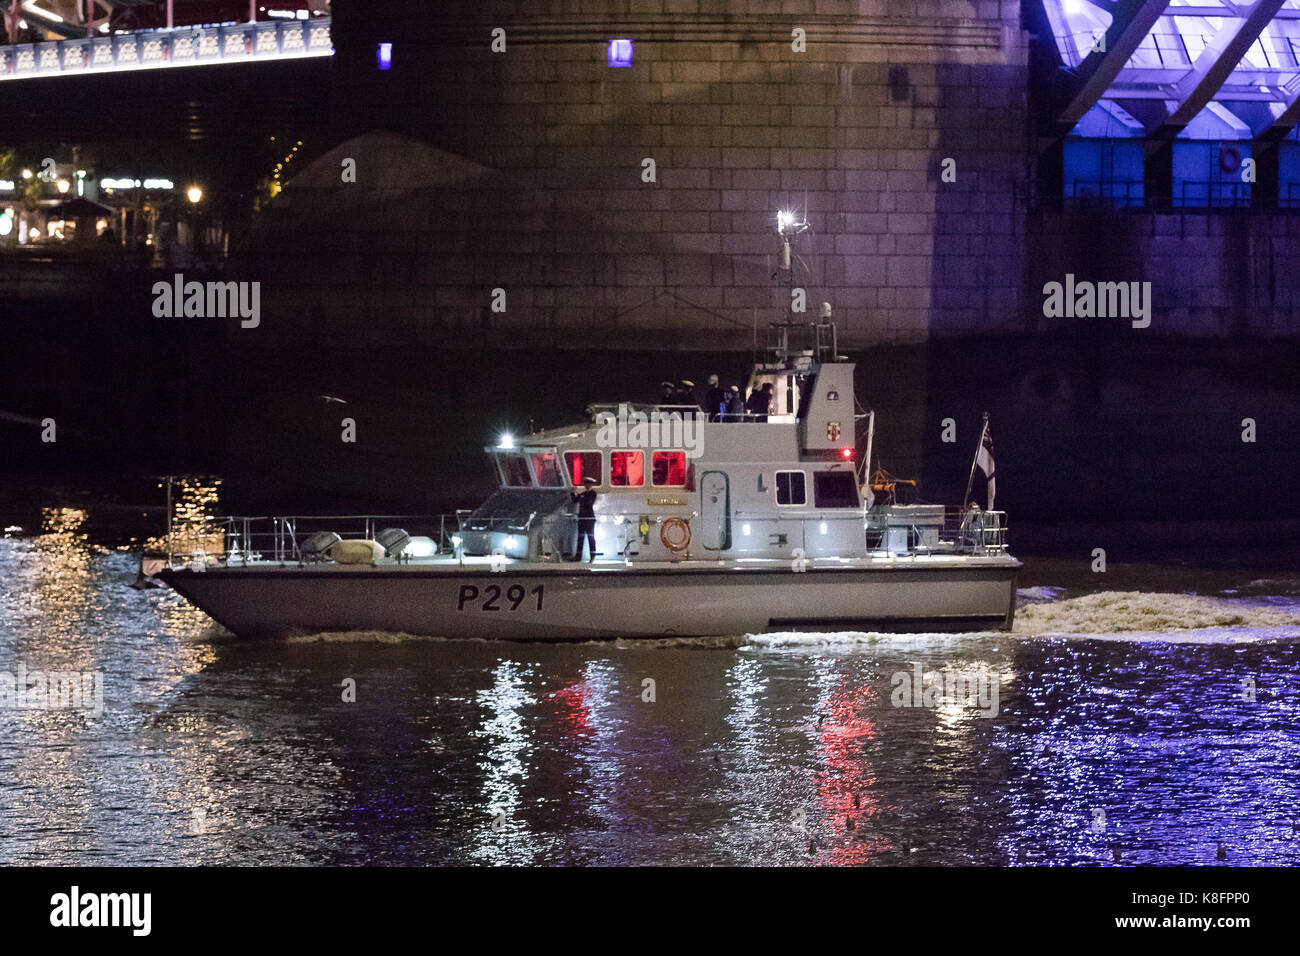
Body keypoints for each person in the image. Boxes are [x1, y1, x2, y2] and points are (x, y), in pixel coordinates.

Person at [571, 476, 599, 562]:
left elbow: (588, 502)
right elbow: (575, 500)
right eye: (586, 484)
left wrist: (581, 497)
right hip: (582, 519)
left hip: (589, 519)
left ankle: (592, 556)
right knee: (580, 538)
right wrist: (573, 492)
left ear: (591, 485)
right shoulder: (583, 494)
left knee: (591, 538)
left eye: (588, 484)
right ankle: (578, 556)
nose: (587, 485)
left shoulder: (593, 493)